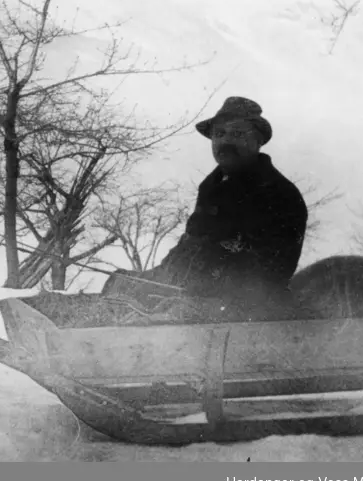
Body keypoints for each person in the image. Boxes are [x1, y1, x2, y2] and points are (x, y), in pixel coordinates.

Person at [103, 97, 309, 320]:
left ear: (258, 140)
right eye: (219, 134)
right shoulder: (211, 188)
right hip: (192, 301)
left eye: (238, 134)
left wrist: (192, 300)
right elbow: (187, 254)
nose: (226, 142)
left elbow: (265, 276)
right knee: (120, 287)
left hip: (246, 315)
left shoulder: (278, 193)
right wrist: (144, 281)